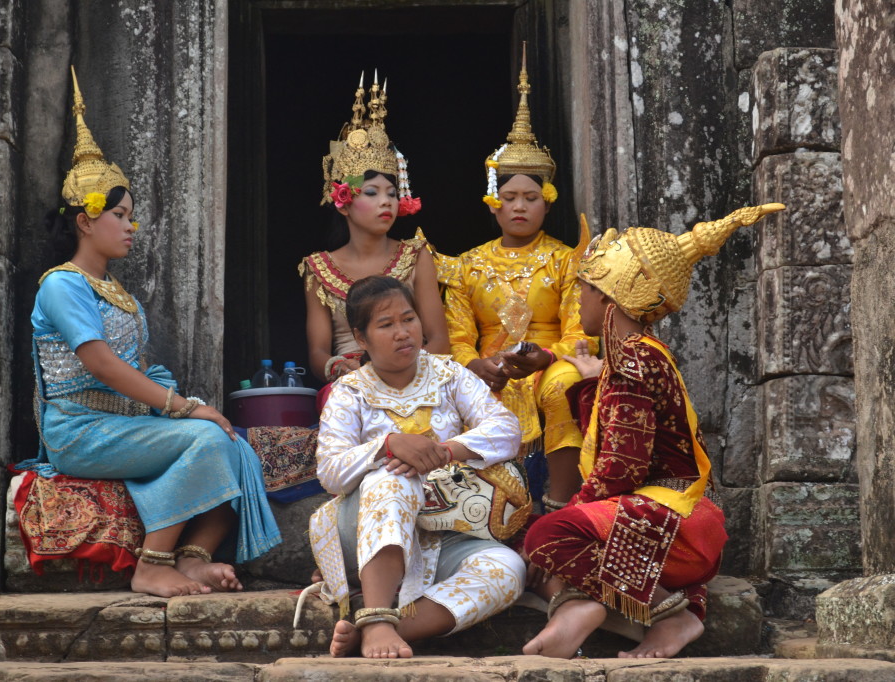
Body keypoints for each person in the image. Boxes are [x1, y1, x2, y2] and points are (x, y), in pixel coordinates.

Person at [19, 68, 281, 598]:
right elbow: (101, 365)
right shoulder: (63, 286)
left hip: (125, 424)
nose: (131, 226)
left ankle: (192, 556)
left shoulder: (119, 294)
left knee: (234, 445)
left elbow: (137, 370)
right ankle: (151, 563)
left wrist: (185, 402)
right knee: (207, 436)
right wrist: (183, 408)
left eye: (132, 215)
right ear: (85, 221)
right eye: (120, 214)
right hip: (80, 430)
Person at [521, 203, 785, 659]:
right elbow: (618, 443)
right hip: (686, 529)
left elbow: (622, 466)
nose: (576, 300)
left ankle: (667, 613)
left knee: (546, 538)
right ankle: (590, 610)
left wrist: (566, 516)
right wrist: (590, 384)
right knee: (558, 550)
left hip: (672, 525)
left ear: (608, 298)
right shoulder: (644, 354)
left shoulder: (631, 362)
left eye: (583, 289)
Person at [307, 275, 525, 659]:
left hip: (445, 533)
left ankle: (383, 629)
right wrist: (386, 446)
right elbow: (330, 471)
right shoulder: (350, 391)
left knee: (507, 570)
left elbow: (506, 429)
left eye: (408, 319)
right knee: (392, 477)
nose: (403, 332)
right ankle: (374, 617)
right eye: (386, 324)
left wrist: (446, 451)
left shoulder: (449, 373)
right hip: (364, 532)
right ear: (361, 338)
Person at [439, 46, 597, 511]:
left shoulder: (568, 260)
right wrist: (475, 367)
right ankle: (476, 510)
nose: (520, 206)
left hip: (549, 363)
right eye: (510, 197)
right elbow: (458, 337)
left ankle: (559, 503)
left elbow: (580, 333)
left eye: (531, 196)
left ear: (547, 203)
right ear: (495, 204)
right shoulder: (468, 264)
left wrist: (545, 356)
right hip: (490, 369)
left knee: (561, 385)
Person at [300, 73, 449, 404]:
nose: (387, 202)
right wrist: (341, 367)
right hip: (351, 384)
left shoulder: (417, 255)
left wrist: (399, 371)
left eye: (392, 193)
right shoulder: (317, 268)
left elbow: (439, 339)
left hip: (415, 377)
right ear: (343, 203)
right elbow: (318, 351)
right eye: (372, 192)